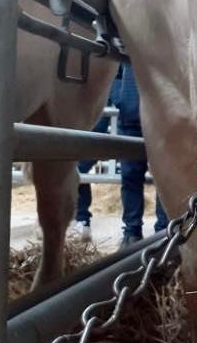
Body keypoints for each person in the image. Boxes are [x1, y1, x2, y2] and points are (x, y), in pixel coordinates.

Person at [72, 63, 169, 247]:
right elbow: (114, 70)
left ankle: (162, 233)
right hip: (130, 118)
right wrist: (120, 98)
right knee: (130, 178)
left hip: (160, 119)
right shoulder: (126, 38)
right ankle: (132, 233)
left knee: (162, 180)